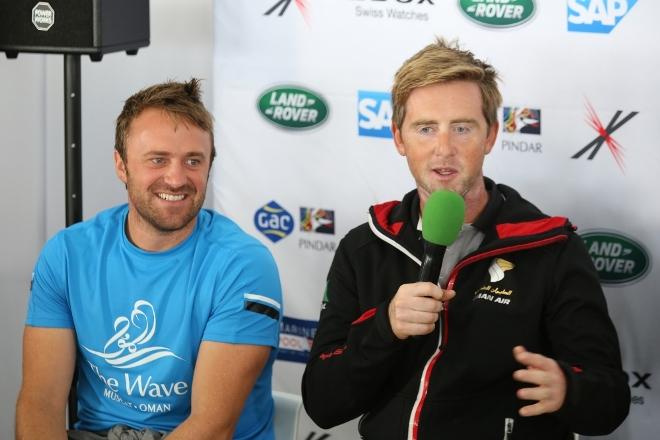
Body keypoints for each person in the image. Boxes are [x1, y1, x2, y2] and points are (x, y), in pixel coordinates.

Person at [301, 39, 630, 439]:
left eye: (462, 128)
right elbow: (322, 404)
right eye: (425, 129)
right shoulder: (365, 245)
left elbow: (610, 401)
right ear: (399, 139)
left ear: (490, 135)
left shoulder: (551, 248)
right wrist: (384, 327)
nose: (444, 149)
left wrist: (570, 389)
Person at [16, 79, 283, 440]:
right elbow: (40, 404)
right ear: (122, 165)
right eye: (158, 160)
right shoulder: (66, 254)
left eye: (193, 161)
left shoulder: (244, 267)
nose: (176, 179)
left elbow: (211, 428)